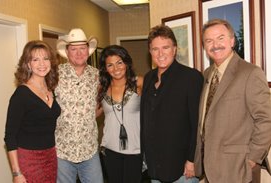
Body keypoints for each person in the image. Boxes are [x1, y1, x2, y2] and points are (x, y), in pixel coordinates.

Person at [194, 19, 271, 183]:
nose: (215, 45)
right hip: (209, 168)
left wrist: (252, 158)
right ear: (205, 46)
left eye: (220, 38)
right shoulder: (206, 74)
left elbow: (265, 119)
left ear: (232, 40)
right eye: (209, 40)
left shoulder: (250, 73)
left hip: (238, 169)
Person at [140, 25, 203, 183]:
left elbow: (197, 124)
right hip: (154, 165)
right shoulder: (148, 78)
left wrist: (192, 160)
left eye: (165, 47)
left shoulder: (191, 78)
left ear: (174, 49)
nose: (160, 54)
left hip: (181, 168)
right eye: (155, 49)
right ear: (150, 52)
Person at [4, 40, 61, 183]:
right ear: (28, 64)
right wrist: (16, 173)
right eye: (35, 59)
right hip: (30, 159)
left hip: (50, 155)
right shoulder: (21, 94)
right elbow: (10, 137)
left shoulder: (50, 89)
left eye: (45, 58)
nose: (42, 64)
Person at [55, 28, 103, 183]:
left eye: (82, 48)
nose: (78, 53)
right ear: (67, 52)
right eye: (73, 49)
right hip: (62, 150)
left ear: (88, 51)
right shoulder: (54, 74)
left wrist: (91, 113)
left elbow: (102, 101)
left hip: (89, 149)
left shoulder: (97, 75)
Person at [97, 45, 143, 183]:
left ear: (126, 63)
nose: (116, 69)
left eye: (119, 63)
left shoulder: (139, 82)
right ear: (105, 68)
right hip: (110, 149)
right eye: (110, 65)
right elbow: (93, 114)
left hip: (135, 149)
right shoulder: (102, 88)